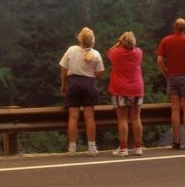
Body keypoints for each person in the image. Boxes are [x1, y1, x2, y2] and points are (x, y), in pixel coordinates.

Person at [60, 27, 105, 156]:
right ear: (92, 40)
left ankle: (72, 149)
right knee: (89, 117)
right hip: (89, 84)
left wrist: (64, 85)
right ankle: (91, 148)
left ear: (80, 38)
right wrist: (93, 75)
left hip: (73, 83)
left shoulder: (71, 50)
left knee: (73, 117)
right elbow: (100, 71)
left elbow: (63, 68)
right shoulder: (96, 54)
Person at [156, 18, 185, 149]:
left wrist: (166, 73)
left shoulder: (166, 40)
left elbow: (159, 60)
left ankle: (176, 141)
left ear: (174, 27)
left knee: (175, 109)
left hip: (173, 76)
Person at [107, 31, 144, 156]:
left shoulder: (116, 53)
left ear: (122, 42)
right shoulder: (138, 53)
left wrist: (118, 43)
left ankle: (123, 148)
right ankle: (138, 147)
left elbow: (108, 52)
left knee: (122, 119)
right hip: (137, 88)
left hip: (120, 89)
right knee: (136, 118)